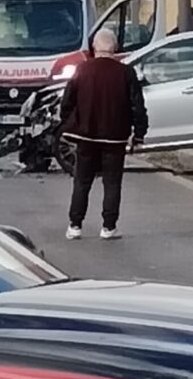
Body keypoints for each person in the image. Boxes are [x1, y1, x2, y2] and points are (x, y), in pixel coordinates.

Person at [61, 27, 148, 241]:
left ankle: (75, 225)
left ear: (94, 48)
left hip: (86, 135)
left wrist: (69, 124)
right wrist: (139, 134)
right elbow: (137, 106)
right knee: (112, 182)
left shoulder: (82, 69)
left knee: (82, 181)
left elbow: (67, 102)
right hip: (115, 136)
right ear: (115, 48)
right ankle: (108, 227)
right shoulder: (125, 72)